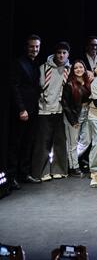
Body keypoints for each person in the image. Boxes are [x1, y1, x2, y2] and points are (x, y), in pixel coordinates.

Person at [32, 41, 71, 182]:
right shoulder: (44, 68)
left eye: (64, 53)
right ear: (55, 54)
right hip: (44, 109)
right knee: (43, 143)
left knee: (60, 142)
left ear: (68, 54)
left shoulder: (69, 69)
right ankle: (42, 171)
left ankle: (59, 170)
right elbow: (37, 86)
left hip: (60, 110)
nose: (61, 55)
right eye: (59, 53)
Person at [9, 35, 42, 187]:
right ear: (26, 47)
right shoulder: (18, 63)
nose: (34, 49)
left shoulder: (37, 63)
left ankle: (24, 174)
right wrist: (21, 109)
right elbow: (14, 87)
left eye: (37, 46)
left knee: (28, 143)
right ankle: (11, 177)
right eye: (32, 46)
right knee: (16, 144)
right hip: (22, 110)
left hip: (34, 109)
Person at [61, 59, 92, 176]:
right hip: (74, 115)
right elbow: (65, 104)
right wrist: (73, 120)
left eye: (81, 67)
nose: (78, 69)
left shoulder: (87, 81)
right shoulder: (69, 84)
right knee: (72, 143)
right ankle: (73, 167)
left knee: (86, 140)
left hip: (86, 113)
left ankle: (70, 160)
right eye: (76, 68)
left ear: (84, 69)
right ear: (72, 70)